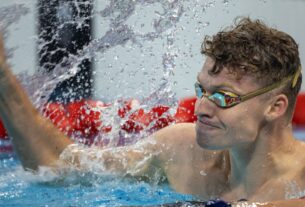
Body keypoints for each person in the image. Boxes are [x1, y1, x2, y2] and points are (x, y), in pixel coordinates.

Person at [0, 17, 304, 207]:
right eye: (201, 91)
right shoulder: (181, 150)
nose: (201, 108)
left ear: (275, 107)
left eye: (223, 97)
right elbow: (59, 167)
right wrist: (4, 80)